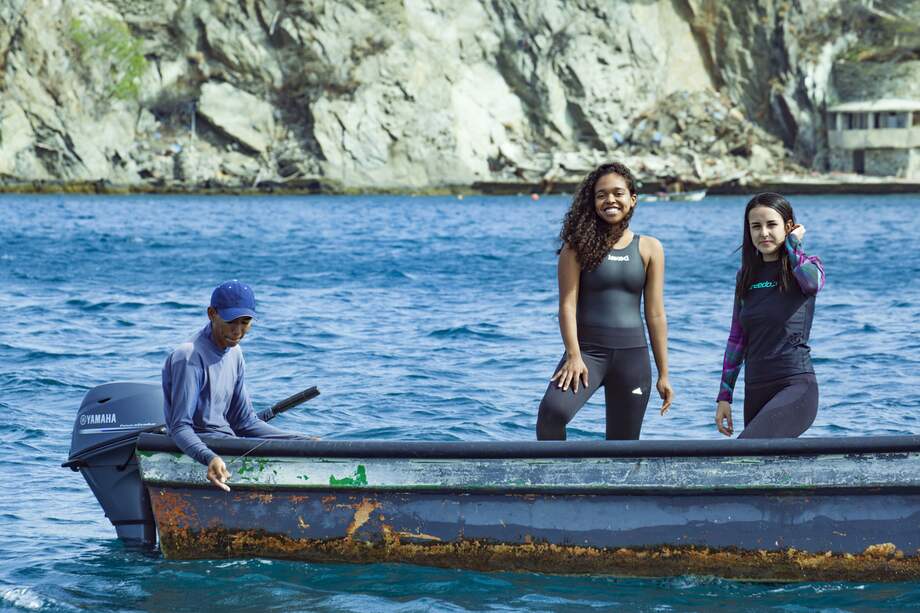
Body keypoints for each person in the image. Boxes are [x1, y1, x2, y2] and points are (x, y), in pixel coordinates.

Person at [536, 162, 673, 440]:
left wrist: (664, 373)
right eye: (601, 195)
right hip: (587, 354)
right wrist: (573, 356)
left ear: (632, 199)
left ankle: (612, 486)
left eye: (618, 193)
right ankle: (556, 482)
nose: (610, 200)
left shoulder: (650, 248)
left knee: (623, 446)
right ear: (593, 202)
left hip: (632, 359)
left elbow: (656, 314)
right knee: (552, 414)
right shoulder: (575, 248)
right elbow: (567, 305)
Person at [162, 280, 301, 491]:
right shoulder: (189, 356)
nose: (238, 331)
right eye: (231, 322)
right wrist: (209, 457)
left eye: (245, 322)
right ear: (211, 314)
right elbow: (179, 427)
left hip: (229, 446)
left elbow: (244, 422)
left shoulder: (235, 353)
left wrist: (300, 441)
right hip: (206, 450)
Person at [715, 193, 825, 438]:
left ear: (788, 226)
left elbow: (813, 284)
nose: (763, 232)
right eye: (756, 226)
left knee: (744, 454)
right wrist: (725, 397)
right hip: (755, 388)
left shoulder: (806, 267)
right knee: (762, 469)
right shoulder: (746, 276)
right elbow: (737, 339)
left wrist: (793, 244)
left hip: (795, 386)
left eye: (771, 225)